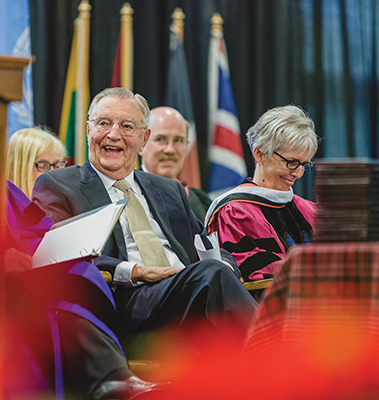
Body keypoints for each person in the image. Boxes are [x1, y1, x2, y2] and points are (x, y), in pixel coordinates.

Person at [32, 87, 257, 344]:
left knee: (219, 274)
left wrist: (226, 264)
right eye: (103, 123)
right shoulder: (60, 186)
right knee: (212, 276)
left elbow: (204, 244)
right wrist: (137, 272)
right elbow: (59, 258)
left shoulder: (167, 189)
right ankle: (276, 358)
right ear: (87, 131)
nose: (113, 134)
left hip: (185, 292)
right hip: (124, 303)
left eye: (127, 126)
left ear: (144, 139)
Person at [5, 127, 164, 399]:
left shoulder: (5, 192)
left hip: (32, 271)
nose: (54, 172)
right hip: (0, 289)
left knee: (75, 273)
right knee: (56, 296)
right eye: (44, 165)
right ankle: (110, 380)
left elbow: (38, 231)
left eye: (59, 164)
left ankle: (113, 378)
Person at [205, 105, 319, 282]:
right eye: (291, 162)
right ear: (260, 154)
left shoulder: (311, 210)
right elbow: (256, 273)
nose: (298, 173)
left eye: (304, 165)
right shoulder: (235, 213)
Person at [140, 106, 211, 221]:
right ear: (141, 144)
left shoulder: (201, 204)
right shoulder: (126, 195)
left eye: (178, 140)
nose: (170, 150)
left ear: (187, 145)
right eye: (160, 139)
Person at [6, 127, 67, 199]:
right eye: (43, 166)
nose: (53, 174)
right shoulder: (0, 206)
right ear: (17, 168)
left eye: (57, 166)